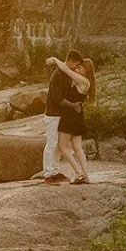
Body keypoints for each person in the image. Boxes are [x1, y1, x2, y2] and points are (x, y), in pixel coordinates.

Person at [39, 49, 90, 184]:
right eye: (76, 64)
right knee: (51, 143)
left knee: (57, 145)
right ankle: (48, 174)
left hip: (61, 114)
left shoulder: (67, 75)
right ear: (71, 61)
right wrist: (73, 105)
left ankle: (54, 171)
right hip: (53, 113)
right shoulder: (58, 76)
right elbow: (58, 98)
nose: (77, 68)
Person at [52, 54, 94, 185]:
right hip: (77, 115)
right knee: (77, 147)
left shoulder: (83, 81)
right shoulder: (86, 82)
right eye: (78, 67)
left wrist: (54, 59)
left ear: (87, 71)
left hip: (70, 115)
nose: (77, 69)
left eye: (81, 68)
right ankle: (86, 175)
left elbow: (66, 69)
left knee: (62, 146)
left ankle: (78, 173)